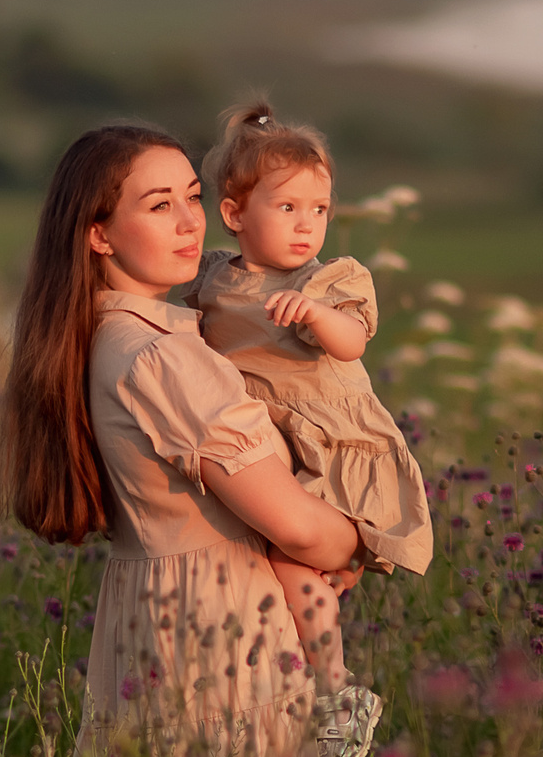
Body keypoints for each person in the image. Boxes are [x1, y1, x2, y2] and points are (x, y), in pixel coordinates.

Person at [0, 122, 362, 757]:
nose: (191, 221)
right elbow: (293, 526)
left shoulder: (106, 337)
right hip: (220, 623)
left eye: (194, 197)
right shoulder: (161, 358)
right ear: (99, 234)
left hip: (152, 609)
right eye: (159, 205)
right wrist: (359, 534)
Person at [183, 102, 433, 696]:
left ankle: (335, 686)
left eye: (319, 210)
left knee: (295, 563)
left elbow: (351, 345)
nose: (306, 225)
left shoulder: (326, 282)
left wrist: (320, 316)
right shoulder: (214, 278)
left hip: (329, 443)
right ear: (234, 214)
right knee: (280, 565)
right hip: (267, 442)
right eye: (287, 207)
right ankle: (290, 679)